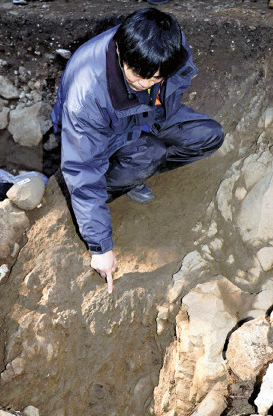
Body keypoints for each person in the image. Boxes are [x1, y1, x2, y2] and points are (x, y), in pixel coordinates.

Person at [51, 8, 223, 294]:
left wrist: (155, 95)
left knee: (208, 135)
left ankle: (131, 170)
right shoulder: (87, 95)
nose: (145, 83)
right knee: (149, 153)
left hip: (147, 114)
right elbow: (82, 168)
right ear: (119, 50)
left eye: (156, 78)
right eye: (139, 76)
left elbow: (169, 86)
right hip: (104, 129)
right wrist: (100, 246)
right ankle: (112, 186)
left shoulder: (168, 49)